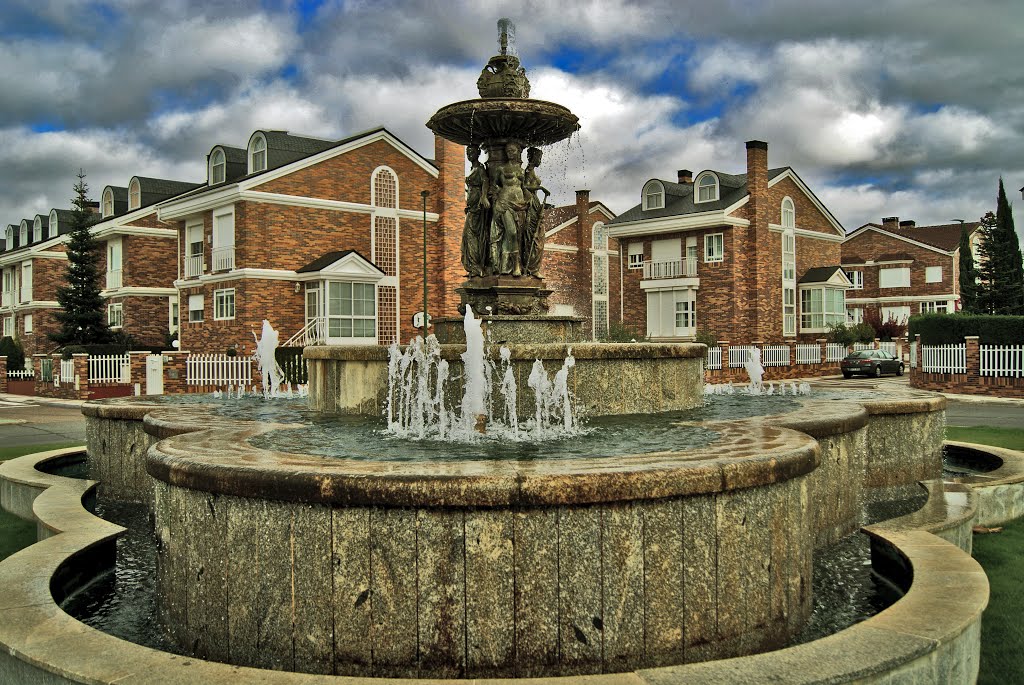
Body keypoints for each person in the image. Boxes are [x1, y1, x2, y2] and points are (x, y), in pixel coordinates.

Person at [488, 142, 527, 276]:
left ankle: (506, 265)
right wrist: (495, 198)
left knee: (516, 235)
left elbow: (525, 188)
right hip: (505, 204)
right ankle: (515, 266)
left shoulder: (522, 171)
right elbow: (493, 185)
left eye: (513, 151)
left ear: (518, 152)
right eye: (508, 151)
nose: (510, 153)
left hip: (520, 205)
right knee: (512, 232)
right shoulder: (501, 168)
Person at [461, 144, 489, 277]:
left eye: (471, 152)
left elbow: (485, 181)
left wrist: (483, 197)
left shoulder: (479, 168)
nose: (469, 155)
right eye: (468, 152)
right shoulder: (473, 168)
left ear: (477, 153)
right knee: (468, 236)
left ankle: (477, 266)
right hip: (471, 208)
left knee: (472, 236)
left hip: (477, 208)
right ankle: (474, 266)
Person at [521, 146, 550, 277]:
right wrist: (540, 187)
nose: (540, 160)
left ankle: (533, 268)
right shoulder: (527, 171)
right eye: (539, 157)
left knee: (538, 237)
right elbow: (523, 186)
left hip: (535, 203)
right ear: (533, 157)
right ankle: (530, 268)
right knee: (532, 238)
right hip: (530, 203)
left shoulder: (530, 171)